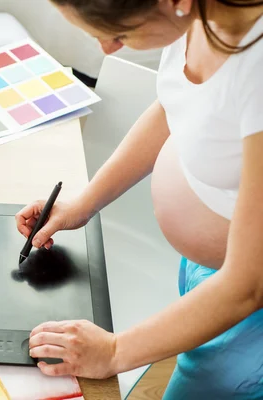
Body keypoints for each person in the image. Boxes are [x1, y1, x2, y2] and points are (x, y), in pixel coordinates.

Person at [15, 0, 263, 398]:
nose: (107, 49)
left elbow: (247, 285)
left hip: (247, 299)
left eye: (119, 34)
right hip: (209, 265)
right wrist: (84, 202)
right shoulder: (198, 15)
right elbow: (175, 105)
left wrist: (115, 352)